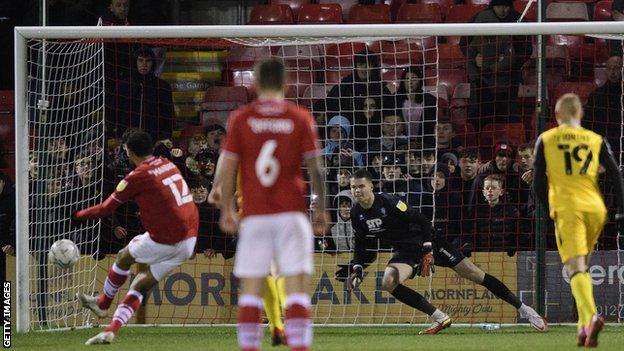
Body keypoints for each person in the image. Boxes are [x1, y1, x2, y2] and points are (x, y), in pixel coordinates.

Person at [209, 57, 329, 351]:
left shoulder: (241, 117)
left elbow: (229, 167)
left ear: (256, 83)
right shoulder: (300, 116)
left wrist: (226, 208)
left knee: (250, 291)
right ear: (286, 83)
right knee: (296, 290)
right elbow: (316, 169)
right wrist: (322, 209)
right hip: (292, 215)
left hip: (255, 217)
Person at [336, 169, 547, 334]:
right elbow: (362, 244)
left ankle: (525, 310)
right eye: (353, 187)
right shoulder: (356, 214)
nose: (356, 191)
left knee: (474, 274)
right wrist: (357, 267)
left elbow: (422, 221)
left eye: (361, 186)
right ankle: (439, 316)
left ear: (371, 186)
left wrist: (428, 250)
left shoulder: (390, 202)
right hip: (406, 250)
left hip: (430, 242)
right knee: (389, 282)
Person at [74, 130, 199, 345]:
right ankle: (110, 330)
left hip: (167, 239)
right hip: (189, 240)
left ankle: (103, 303)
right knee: (140, 284)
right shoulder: (167, 163)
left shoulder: (137, 177)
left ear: (129, 151)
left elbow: (105, 209)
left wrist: (76, 215)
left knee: (124, 256)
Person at [533, 93, 624, 347]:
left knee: (575, 269)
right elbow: (617, 175)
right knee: (582, 265)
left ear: (557, 115)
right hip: (595, 208)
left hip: (568, 208)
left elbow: (538, 181)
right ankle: (583, 328)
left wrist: (549, 205)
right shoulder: (596, 139)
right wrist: (621, 211)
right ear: (580, 115)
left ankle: (591, 317)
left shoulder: (547, 139)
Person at [584, 56, 623, 153]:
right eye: (609, 68)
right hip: (602, 146)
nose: (612, 72)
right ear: (606, 70)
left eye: (616, 68)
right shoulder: (596, 95)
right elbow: (587, 122)